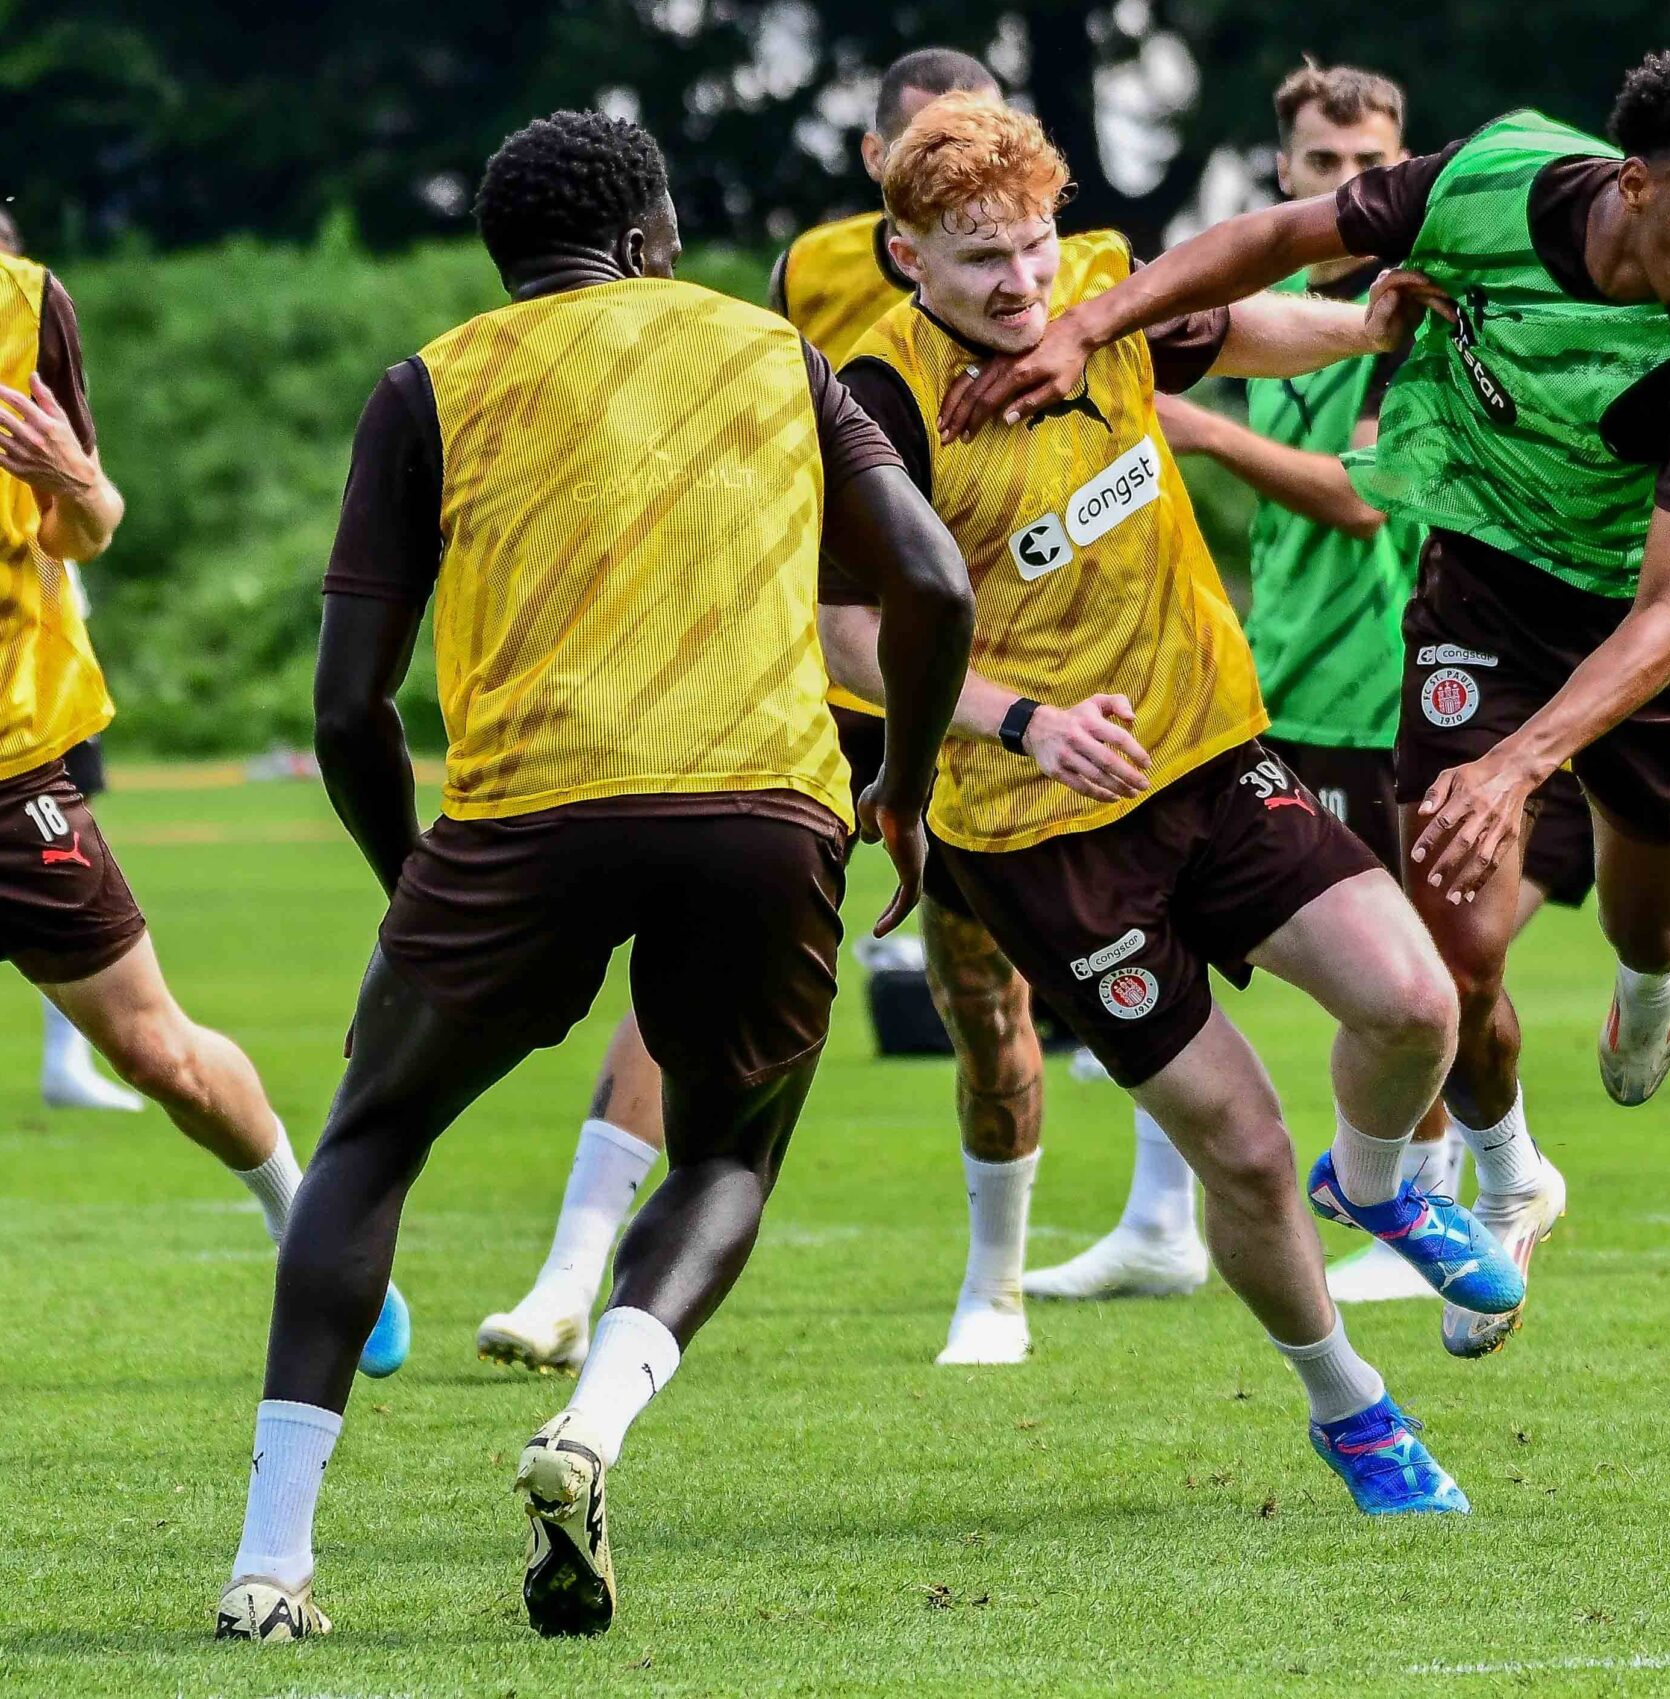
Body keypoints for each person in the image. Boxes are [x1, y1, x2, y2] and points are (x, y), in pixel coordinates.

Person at [215, 109, 972, 1642]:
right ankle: (591, 1426)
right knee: (727, 1153)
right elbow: (935, 581)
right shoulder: (774, 353)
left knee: (368, 1142)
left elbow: (346, 703)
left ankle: (271, 1564)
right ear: (646, 241)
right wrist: (903, 784)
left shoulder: (430, 382)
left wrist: (407, 877)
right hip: (762, 805)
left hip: (523, 817)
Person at [943, 44, 1670, 1359]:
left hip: (1646, 639)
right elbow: (1268, 238)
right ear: (1633, 187)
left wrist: (1517, 765)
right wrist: (1086, 321)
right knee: (1452, 953)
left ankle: (1646, 977)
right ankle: (1510, 1175)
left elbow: (1669, 611)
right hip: (1485, 598)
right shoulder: (1493, 183)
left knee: (1659, 912)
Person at [830, 91, 1515, 1510]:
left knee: (1414, 1005)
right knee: (1245, 1147)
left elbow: (1239, 330)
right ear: (908, 258)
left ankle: (1382, 1179)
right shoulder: (875, 402)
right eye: (979, 263)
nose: (1020, 283)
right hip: (1037, 831)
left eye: (1032, 247)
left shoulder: (1099, 300)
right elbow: (841, 631)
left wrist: (1368, 325)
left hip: (1206, 750)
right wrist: (1024, 718)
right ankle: (1352, 1405)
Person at [473, 45, 1010, 1377]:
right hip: (791, 649)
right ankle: (566, 1273)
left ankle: (1001, 1281)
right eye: (920, 132)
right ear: (876, 158)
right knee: (682, 969)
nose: (948, 148)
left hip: (980, 636)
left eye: (975, 127)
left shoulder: (1059, 262)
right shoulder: (804, 278)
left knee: (991, 979)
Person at [1027, 59, 1451, 1306]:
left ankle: (1438, 1202)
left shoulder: (1405, 316)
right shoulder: (1271, 322)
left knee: (1411, 971)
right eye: (1322, 167)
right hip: (1276, 686)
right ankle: (1161, 1221)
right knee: (1188, 947)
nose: (1346, 187)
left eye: (1370, 165)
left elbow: (1360, 503)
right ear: (1283, 174)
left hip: (1382, 689)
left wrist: (1199, 425)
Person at [0, 220, 409, 1359]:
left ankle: (310, 1235)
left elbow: (90, 526)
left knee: (153, 1051)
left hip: (11, 769)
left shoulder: (26, 308)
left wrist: (75, 482)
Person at [0, 206, 148, 1113]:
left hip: (35, 683)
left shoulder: (33, 327)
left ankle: (69, 1058)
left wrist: (74, 483)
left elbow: (90, 517)